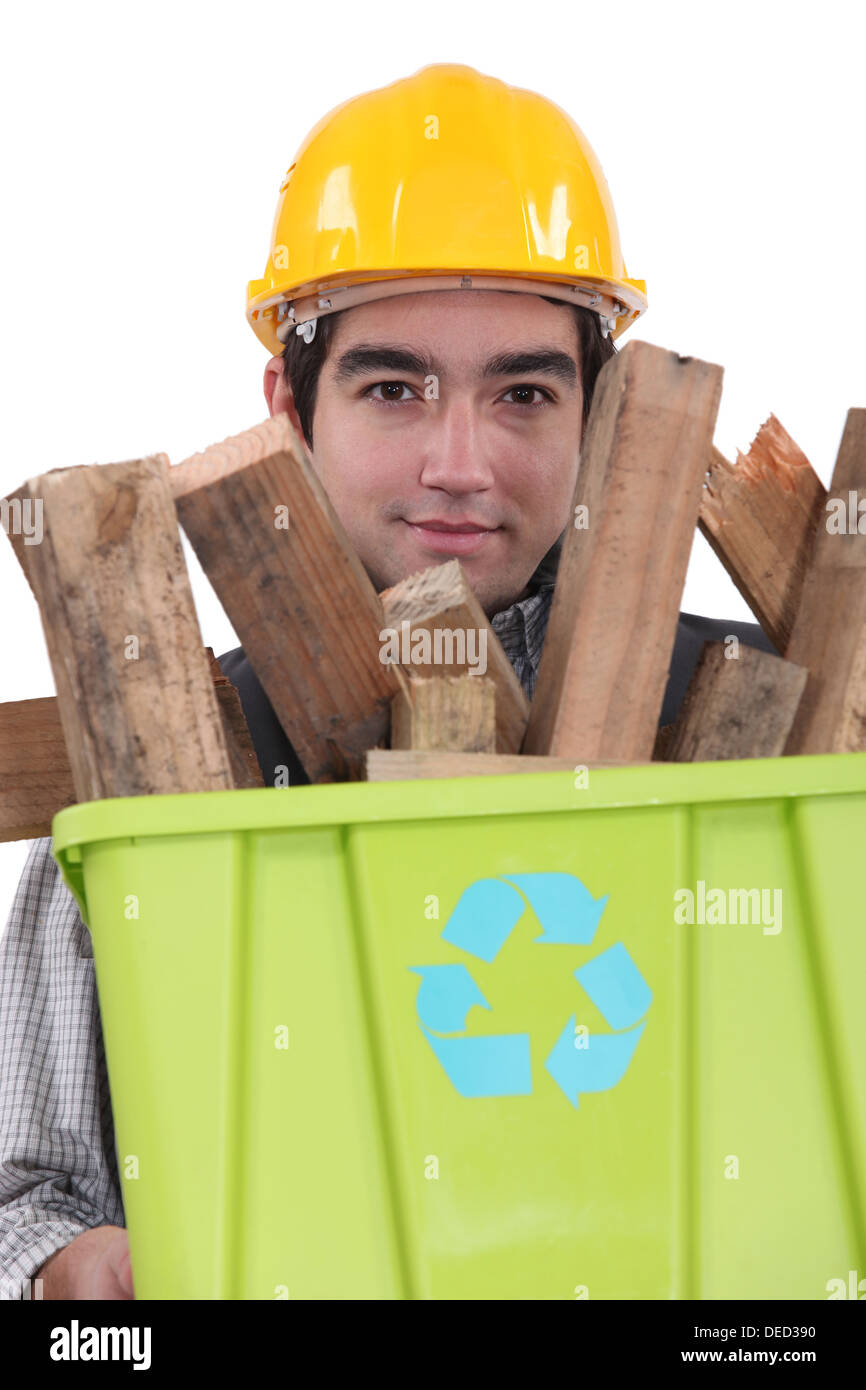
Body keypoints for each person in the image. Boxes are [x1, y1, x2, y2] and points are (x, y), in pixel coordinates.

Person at [0, 63, 775, 1300]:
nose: (459, 462)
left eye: (523, 391)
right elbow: (19, 1201)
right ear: (288, 405)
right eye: (393, 387)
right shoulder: (157, 773)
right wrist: (60, 1279)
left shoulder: (781, 746)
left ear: (601, 414)